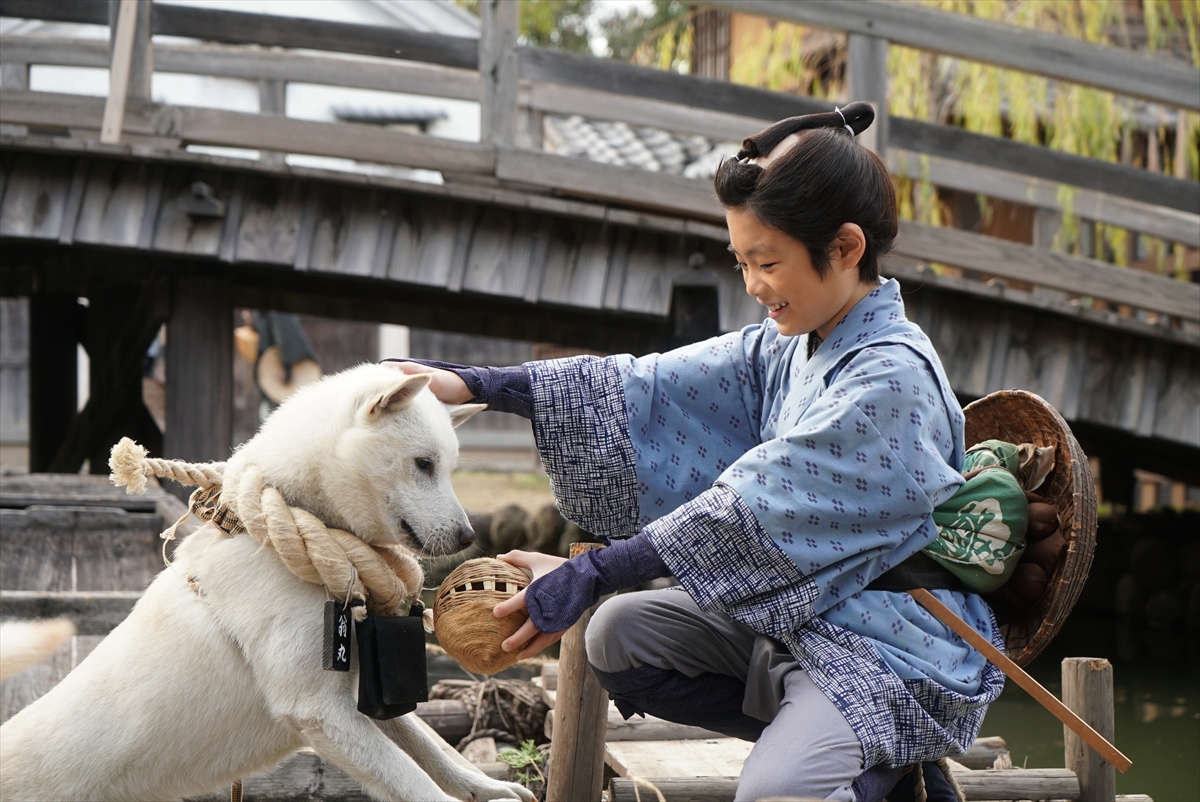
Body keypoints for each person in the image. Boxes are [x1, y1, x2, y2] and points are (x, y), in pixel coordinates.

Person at [388, 103, 1004, 802]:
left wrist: (593, 574)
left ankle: (878, 756)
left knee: (772, 794)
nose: (752, 286)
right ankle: (866, 760)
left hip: (889, 646)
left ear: (846, 247)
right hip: (799, 620)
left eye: (767, 262)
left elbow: (752, 509)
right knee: (616, 636)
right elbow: (649, 386)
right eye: (742, 262)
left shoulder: (889, 378)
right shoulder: (792, 343)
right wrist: (478, 383)